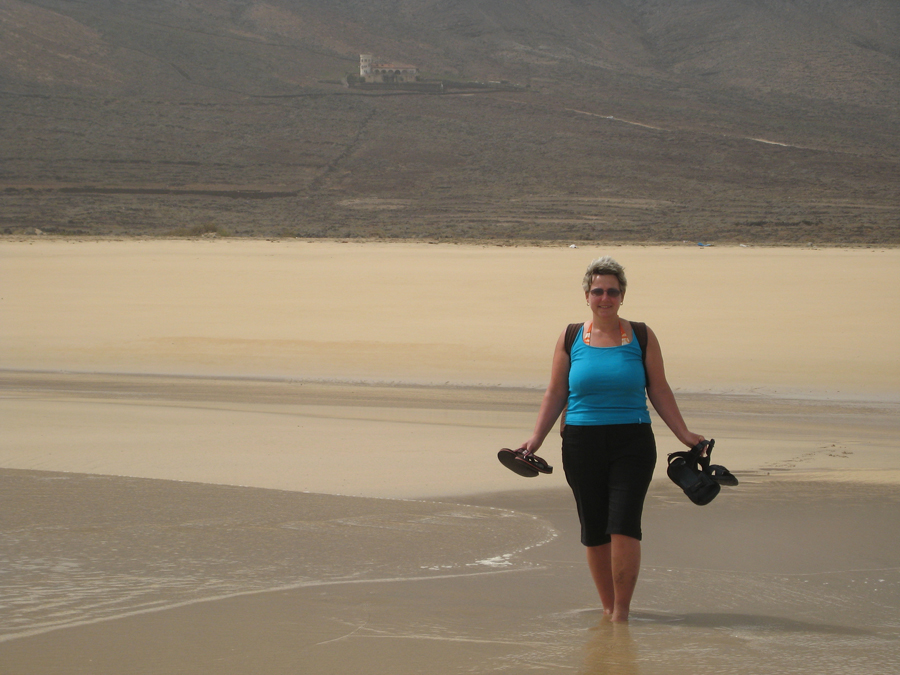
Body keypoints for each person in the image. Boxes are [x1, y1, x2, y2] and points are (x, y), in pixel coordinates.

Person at [521, 256, 705, 622]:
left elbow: (660, 389)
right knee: (594, 528)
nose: (605, 297)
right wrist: (536, 438)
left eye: (612, 291)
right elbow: (555, 392)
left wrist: (684, 434)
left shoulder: (641, 335)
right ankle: (607, 608)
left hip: (632, 441)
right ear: (587, 296)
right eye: (598, 291)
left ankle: (622, 612)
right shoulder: (571, 336)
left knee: (623, 525)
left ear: (622, 296)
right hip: (579, 442)